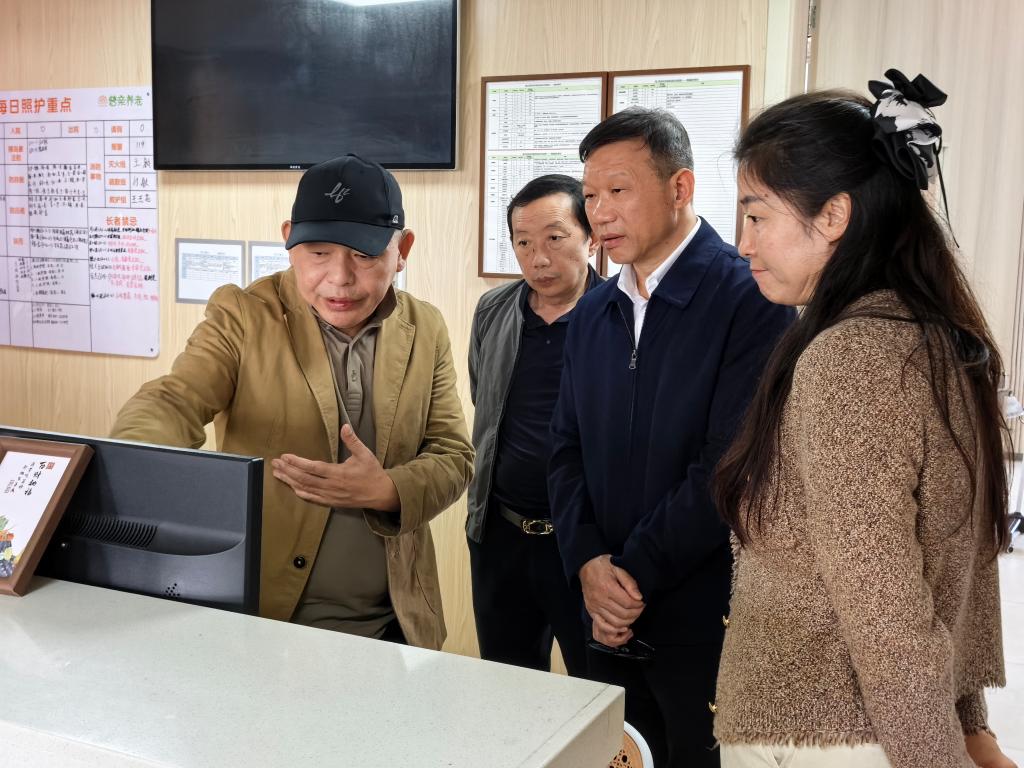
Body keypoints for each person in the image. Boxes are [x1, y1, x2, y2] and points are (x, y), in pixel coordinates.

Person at [712, 72, 1016, 768]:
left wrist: (941, 754)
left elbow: (887, 612)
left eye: (757, 216)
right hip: (861, 732)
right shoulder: (926, 334)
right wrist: (968, 727)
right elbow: (942, 563)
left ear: (834, 216)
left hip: (825, 737)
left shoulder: (852, 357)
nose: (744, 243)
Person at [111, 154, 474, 651]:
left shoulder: (424, 327)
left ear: (402, 249)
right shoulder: (244, 315)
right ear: (289, 240)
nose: (339, 278)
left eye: (364, 255)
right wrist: (132, 467)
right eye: (318, 252)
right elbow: (174, 399)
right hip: (265, 621)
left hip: (396, 624)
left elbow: (454, 455)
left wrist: (387, 489)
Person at [547, 107, 794, 767]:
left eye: (618, 190)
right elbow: (564, 449)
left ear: (680, 187)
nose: (600, 212)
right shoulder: (593, 310)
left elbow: (729, 467)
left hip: (701, 617)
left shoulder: (749, 299)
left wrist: (630, 575)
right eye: (590, 196)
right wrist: (588, 562)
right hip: (602, 608)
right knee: (613, 755)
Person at [466, 174, 601, 676]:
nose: (538, 258)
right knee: (506, 684)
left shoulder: (619, 315)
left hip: (585, 544)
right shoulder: (493, 309)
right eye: (523, 242)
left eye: (555, 238)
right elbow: (484, 400)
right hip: (501, 534)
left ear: (591, 238)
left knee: (597, 684)